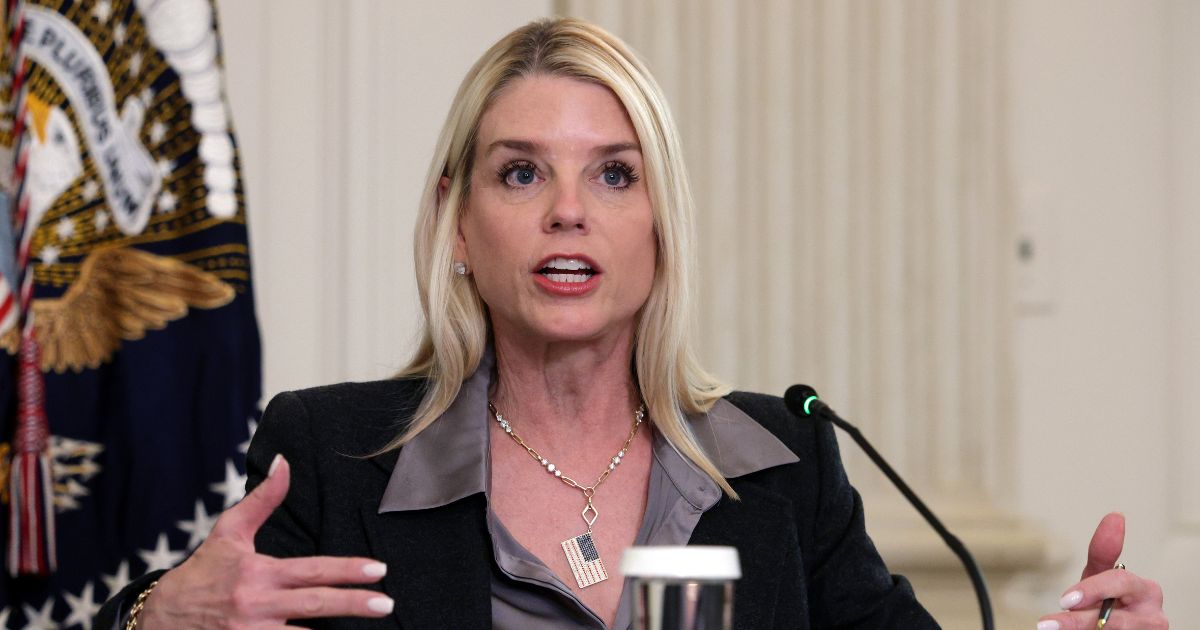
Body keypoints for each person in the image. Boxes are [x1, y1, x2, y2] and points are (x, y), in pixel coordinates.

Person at [97, 17, 1168, 630]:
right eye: (521, 173)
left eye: (616, 174)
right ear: (458, 224)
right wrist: (157, 622)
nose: (570, 209)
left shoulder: (786, 463)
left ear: (662, 224)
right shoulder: (330, 459)